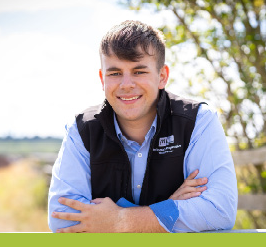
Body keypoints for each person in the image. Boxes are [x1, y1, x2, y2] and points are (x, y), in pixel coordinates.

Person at [48, 20, 237, 233]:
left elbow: (219, 212)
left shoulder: (198, 121)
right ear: (102, 79)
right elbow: (63, 220)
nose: (126, 84)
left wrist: (118, 221)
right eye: (115, 73)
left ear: (162, 76)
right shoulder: (81, 130)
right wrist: (169, 208)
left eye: (139, 72)